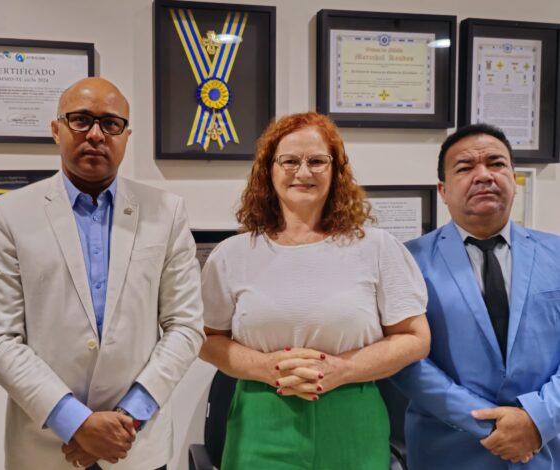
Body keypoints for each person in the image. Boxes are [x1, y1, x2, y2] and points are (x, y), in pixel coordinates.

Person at [0, 77, 204, 470]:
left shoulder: (166, 213)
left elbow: (185, 327)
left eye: (111, 124)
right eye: (80, 120)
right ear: (56, 129)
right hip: (44, 449)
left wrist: (127, 419)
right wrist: (76, 422)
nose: (96, 134)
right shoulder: (9, 215)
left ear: (126, 135)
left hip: (135, 445)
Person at [200, 112, 431, 469]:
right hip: (260, 420)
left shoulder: (377, 247)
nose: (303, 172)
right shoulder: (233, 255)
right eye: (289, 161)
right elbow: (207, 338)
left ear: (336, 170)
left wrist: (342, 370)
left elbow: (416, 338)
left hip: (353, 418)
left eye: (317, 161)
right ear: (269, 170)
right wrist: (264, 367)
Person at [391, 123, 560, 469]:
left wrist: (537, 418)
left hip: (544, 448)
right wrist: (489, 424)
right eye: (465, 167)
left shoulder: (557, 254)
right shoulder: (406, 261)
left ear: (514, 178)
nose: (483, 175)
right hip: (448, 451)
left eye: (496, 164)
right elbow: (404, 360)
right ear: (443, 189)